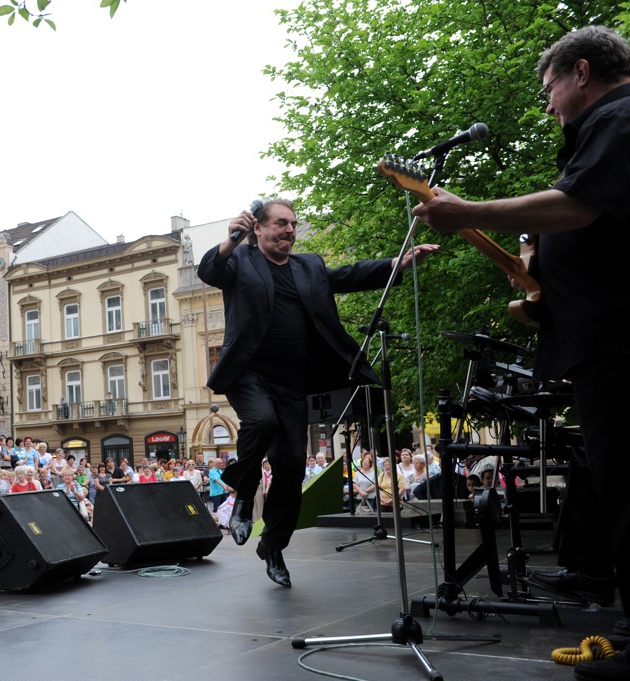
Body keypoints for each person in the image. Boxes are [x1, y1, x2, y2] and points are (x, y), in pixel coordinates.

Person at [412, 26, 630, 678]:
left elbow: (578, 208)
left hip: (617, 341)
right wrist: (537, 273)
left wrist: (469, 211)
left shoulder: (618, 119)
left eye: (549, 88)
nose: (547, 104)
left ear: (581, 71)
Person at [197, 197, 436, 586]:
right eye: (280, 223)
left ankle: (272, 546)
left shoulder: (309, 266)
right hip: (249, 374)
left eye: (293, 224)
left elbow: (350, 275)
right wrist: (231, 240)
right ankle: (243, 494)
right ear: (258, 228)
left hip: (294, 382)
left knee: (291, 471)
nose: (290, 230)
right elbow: (209, 269)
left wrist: (398, 263)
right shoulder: (241, 261)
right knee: (262, 420)